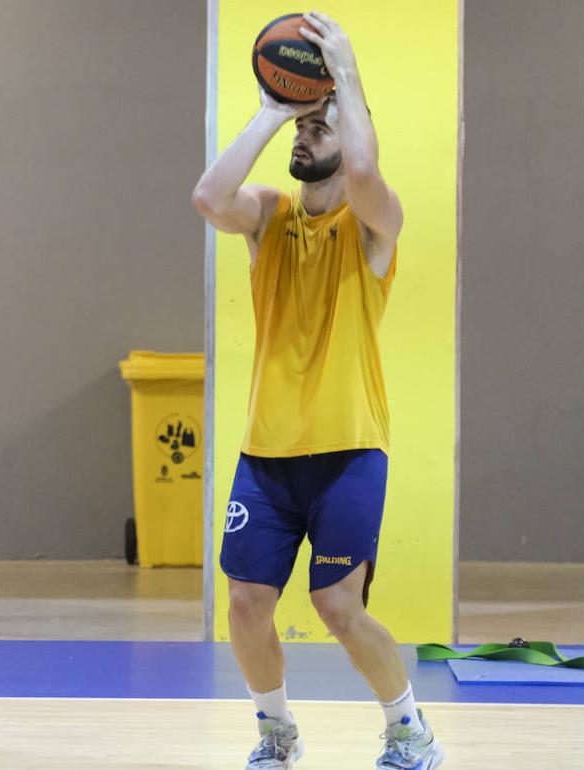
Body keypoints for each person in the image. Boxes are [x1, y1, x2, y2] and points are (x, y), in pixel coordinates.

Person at [192, 13, 444, 770]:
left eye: (319, 128)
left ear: (353, 134)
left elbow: (364, 176)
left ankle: (409, 729)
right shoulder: (267, 216)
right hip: (267, 455)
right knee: (245, 605)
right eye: (304, 128)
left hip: (349, 451)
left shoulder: (374, 226)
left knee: (337, 606)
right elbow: (209, 196)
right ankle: (277, 731)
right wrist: (276, 108)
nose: (307, 137)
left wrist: (348, 80)